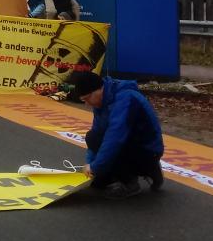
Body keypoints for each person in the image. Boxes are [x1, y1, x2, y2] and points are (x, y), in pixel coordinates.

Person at [39, 71, 163, 200]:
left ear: (99, 89)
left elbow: (115, 138)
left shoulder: (126, 98)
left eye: (87, 98)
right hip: (129, 144)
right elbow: (96, 133)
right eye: (83, 100)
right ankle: (134, 171)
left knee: (102, 146)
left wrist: (95, 167)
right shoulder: (102, 101)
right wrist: (90, 166)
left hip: (147, 149)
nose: (87, 103)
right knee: (97, 181)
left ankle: (133, 182)